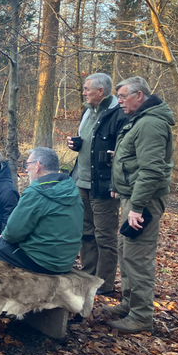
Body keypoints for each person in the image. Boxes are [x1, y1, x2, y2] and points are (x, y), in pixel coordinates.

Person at [105, 77, 174, 334]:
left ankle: (142, 316)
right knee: (126, 252)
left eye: (123, 96)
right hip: (132, 196)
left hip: (143, 200)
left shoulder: (151, 123)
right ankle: (128, 305)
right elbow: (138, 158)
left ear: (139, 96)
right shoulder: (140, 120)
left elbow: (152, 169)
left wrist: (136, 206)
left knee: (138, 257)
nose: (119, 101)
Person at [67, 73, 128, 296]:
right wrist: (76, 144)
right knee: (86, 232)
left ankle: (104, 284)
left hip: (103, 187)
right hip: (81, 182)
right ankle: (87, 277)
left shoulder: (119, 114)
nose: (83, 93)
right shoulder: (87, 112)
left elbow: (124, 151)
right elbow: (90, 144)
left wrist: (115, 179)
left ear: (100, 92)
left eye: (86, 89)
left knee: (105, 235)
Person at [0, 147, 83, 275]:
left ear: (37, 166)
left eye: (27, 164)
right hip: (65, 261)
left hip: (43, 261)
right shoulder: (71, 188)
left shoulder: (36, 191)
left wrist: (6, 235)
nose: (26, 169)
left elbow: (13, 233)